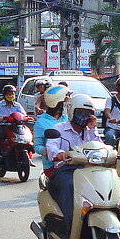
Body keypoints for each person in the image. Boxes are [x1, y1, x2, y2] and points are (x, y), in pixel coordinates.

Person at [43, 93, 101, 230]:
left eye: (88, 113)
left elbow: (99, 146)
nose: (85, 116)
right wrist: (59, 154)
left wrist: (93, 129)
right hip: (65, 170)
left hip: (88, 170)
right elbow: (51, 146)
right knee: (69, 185)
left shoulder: (90, 131)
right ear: (71, 111)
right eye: (81, 112)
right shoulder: (59, 129)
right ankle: (71, 224)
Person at [34, 85, 70, 167]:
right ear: (57, 103)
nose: (68, 104)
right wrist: (46, 151)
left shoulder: (67, 118)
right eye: (65, 102)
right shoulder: (41, 122)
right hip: (52, 165)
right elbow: (37, 146)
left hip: (72, 162)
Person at [0, 84, 28, 157]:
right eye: (8, 94)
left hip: (17, 126)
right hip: (3, 126)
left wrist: (26, 117)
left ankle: (29, 153)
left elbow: (23, 114)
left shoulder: (17, 105)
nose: (10, 96)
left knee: (27, 134)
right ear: (4, 95)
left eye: (12, 94)